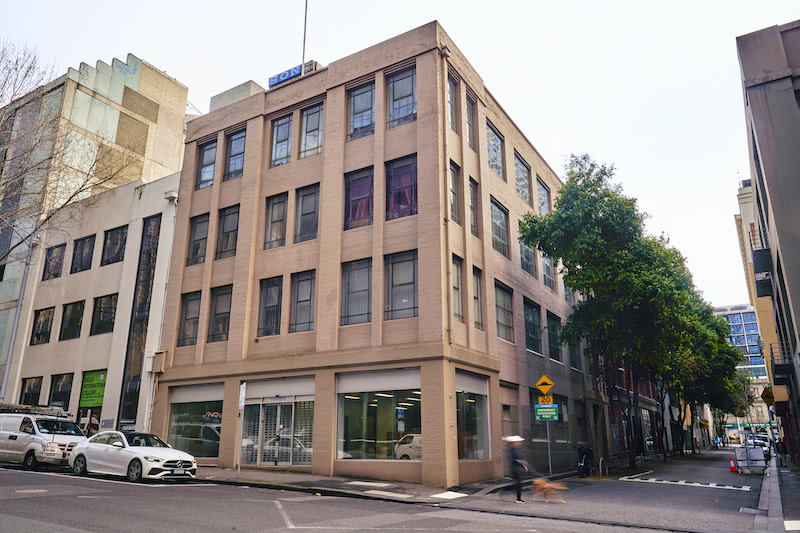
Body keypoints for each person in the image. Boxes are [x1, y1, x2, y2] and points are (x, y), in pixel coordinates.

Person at [505, 435, 528, 503]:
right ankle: (518, 498)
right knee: (518, 483)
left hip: (517, 468)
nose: (519, 443)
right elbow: (513, 460)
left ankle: (518, 497)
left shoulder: (516, 449)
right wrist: (522, 465)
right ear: (513, 442)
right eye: (517, 441)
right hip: (515, 468)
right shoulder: (510, 450)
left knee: (518, 483)